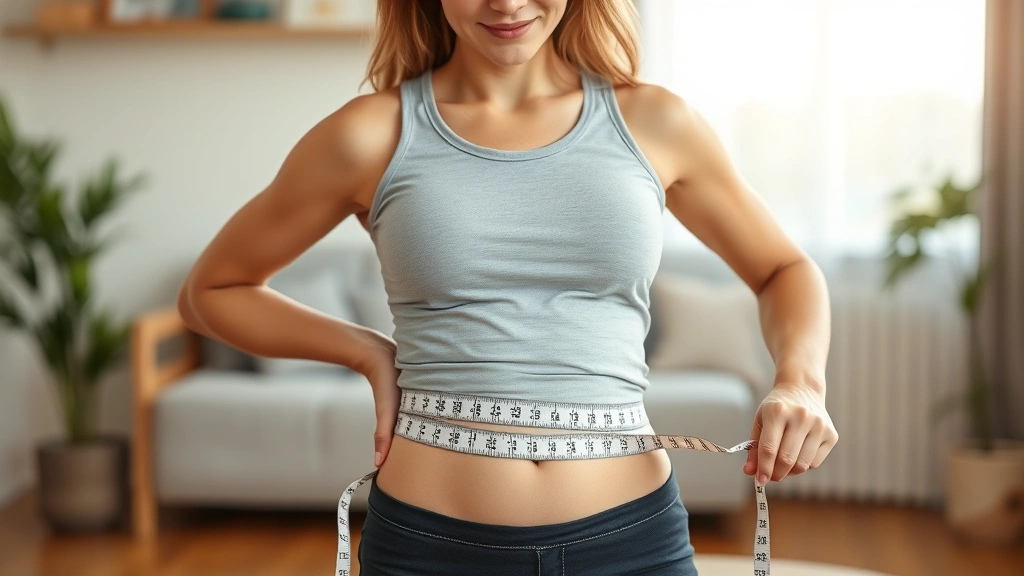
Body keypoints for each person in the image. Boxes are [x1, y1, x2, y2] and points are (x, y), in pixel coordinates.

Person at [177, 1, 839, 574]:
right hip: (429, 547)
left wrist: (800, 381)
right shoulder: (371, 134)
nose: (507, 2)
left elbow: (784, 270)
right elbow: (212, 290)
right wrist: (366, 351)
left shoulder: (656, 123)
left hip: (631, 541)